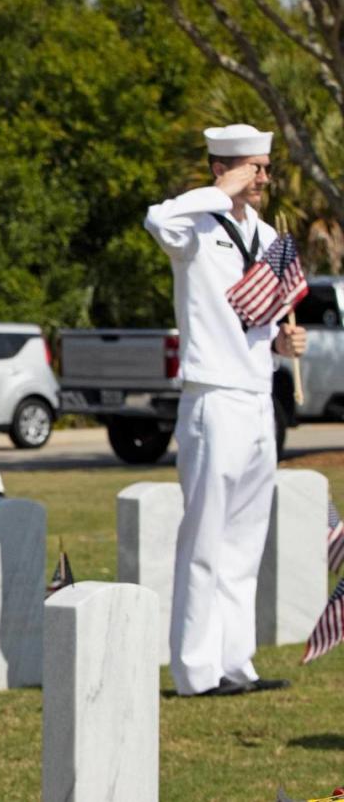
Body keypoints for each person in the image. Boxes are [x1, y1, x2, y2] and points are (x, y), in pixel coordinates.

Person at [145, 124, 307, 697]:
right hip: (211, 395)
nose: (263, 178)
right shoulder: (194, 227)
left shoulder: (266, 234)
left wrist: (283, 346)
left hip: (258, 394)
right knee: (205, 539)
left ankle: (238, 663)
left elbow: (260, 317)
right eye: (252, 168)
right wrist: (220, 190)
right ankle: (194, 671)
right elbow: (156, 218)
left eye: (265, 168)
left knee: (244, 540)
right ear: (222, 167)